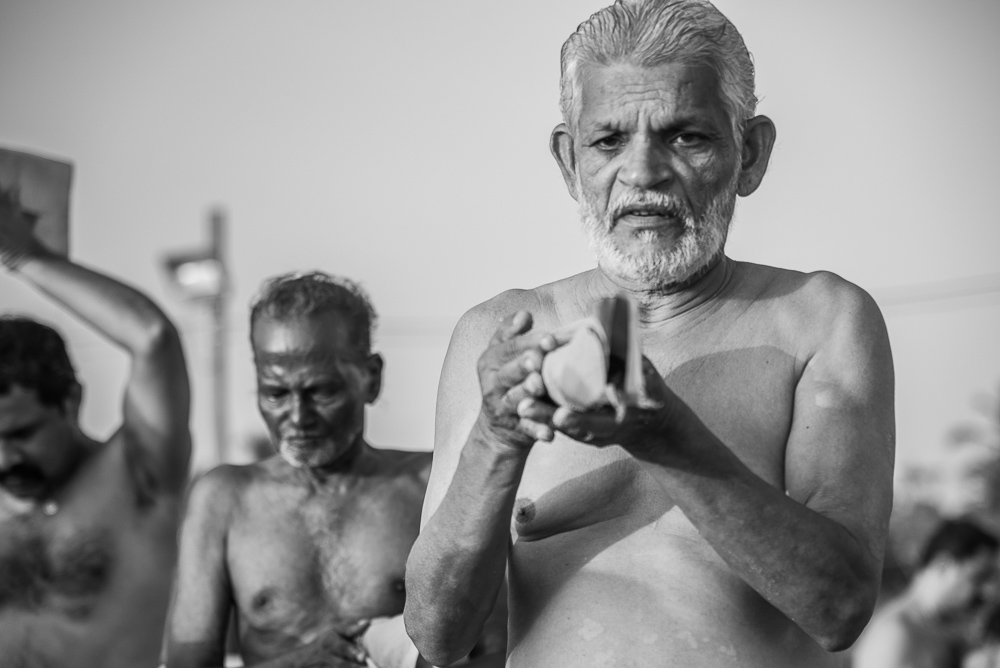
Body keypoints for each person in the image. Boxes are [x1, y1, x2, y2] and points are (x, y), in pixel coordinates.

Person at [404, 1, 896, 666]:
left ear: (749, 154)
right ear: (568, 160)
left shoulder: (820, 319)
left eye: (685, 136)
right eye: (608, 141)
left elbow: (838, 607)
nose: (642, 173)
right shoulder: (499, 337)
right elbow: (437, 635)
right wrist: (497, 436)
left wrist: (663, 435)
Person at [165, 272, 506, 668]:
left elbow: (496, 650)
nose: (296, 416)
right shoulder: (223, 499)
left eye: (320, 391)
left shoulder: (433, 485)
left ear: (371, 379)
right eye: (275, 393)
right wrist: (300, 664)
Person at [0, 184, 192, 665]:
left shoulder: (134, 479)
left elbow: (152, 339)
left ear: (71, 401)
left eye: (21, 435)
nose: (5, 459)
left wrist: (25, 258)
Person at [853, 519, 999, 668]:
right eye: (979, 578)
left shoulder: (944, 631)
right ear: (943, 565)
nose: (987, 592)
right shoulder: (895, 636)